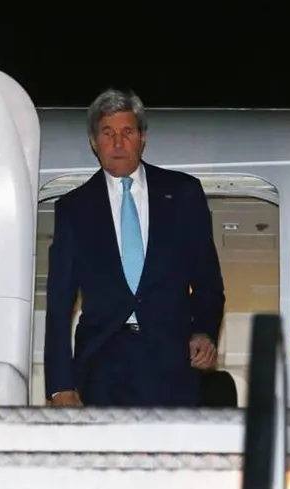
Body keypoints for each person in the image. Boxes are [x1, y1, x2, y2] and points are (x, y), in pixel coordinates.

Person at [44, 88, 225, 407]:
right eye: (107, 133)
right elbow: (59, 306)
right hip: (101, 367)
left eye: (127, 131)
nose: (117, 143)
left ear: (142, 137)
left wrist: (204, 331)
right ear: (93, 141)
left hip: (172, 365)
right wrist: (61, 386)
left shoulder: (183, 194)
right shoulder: (73, 209)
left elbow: (209, 283)